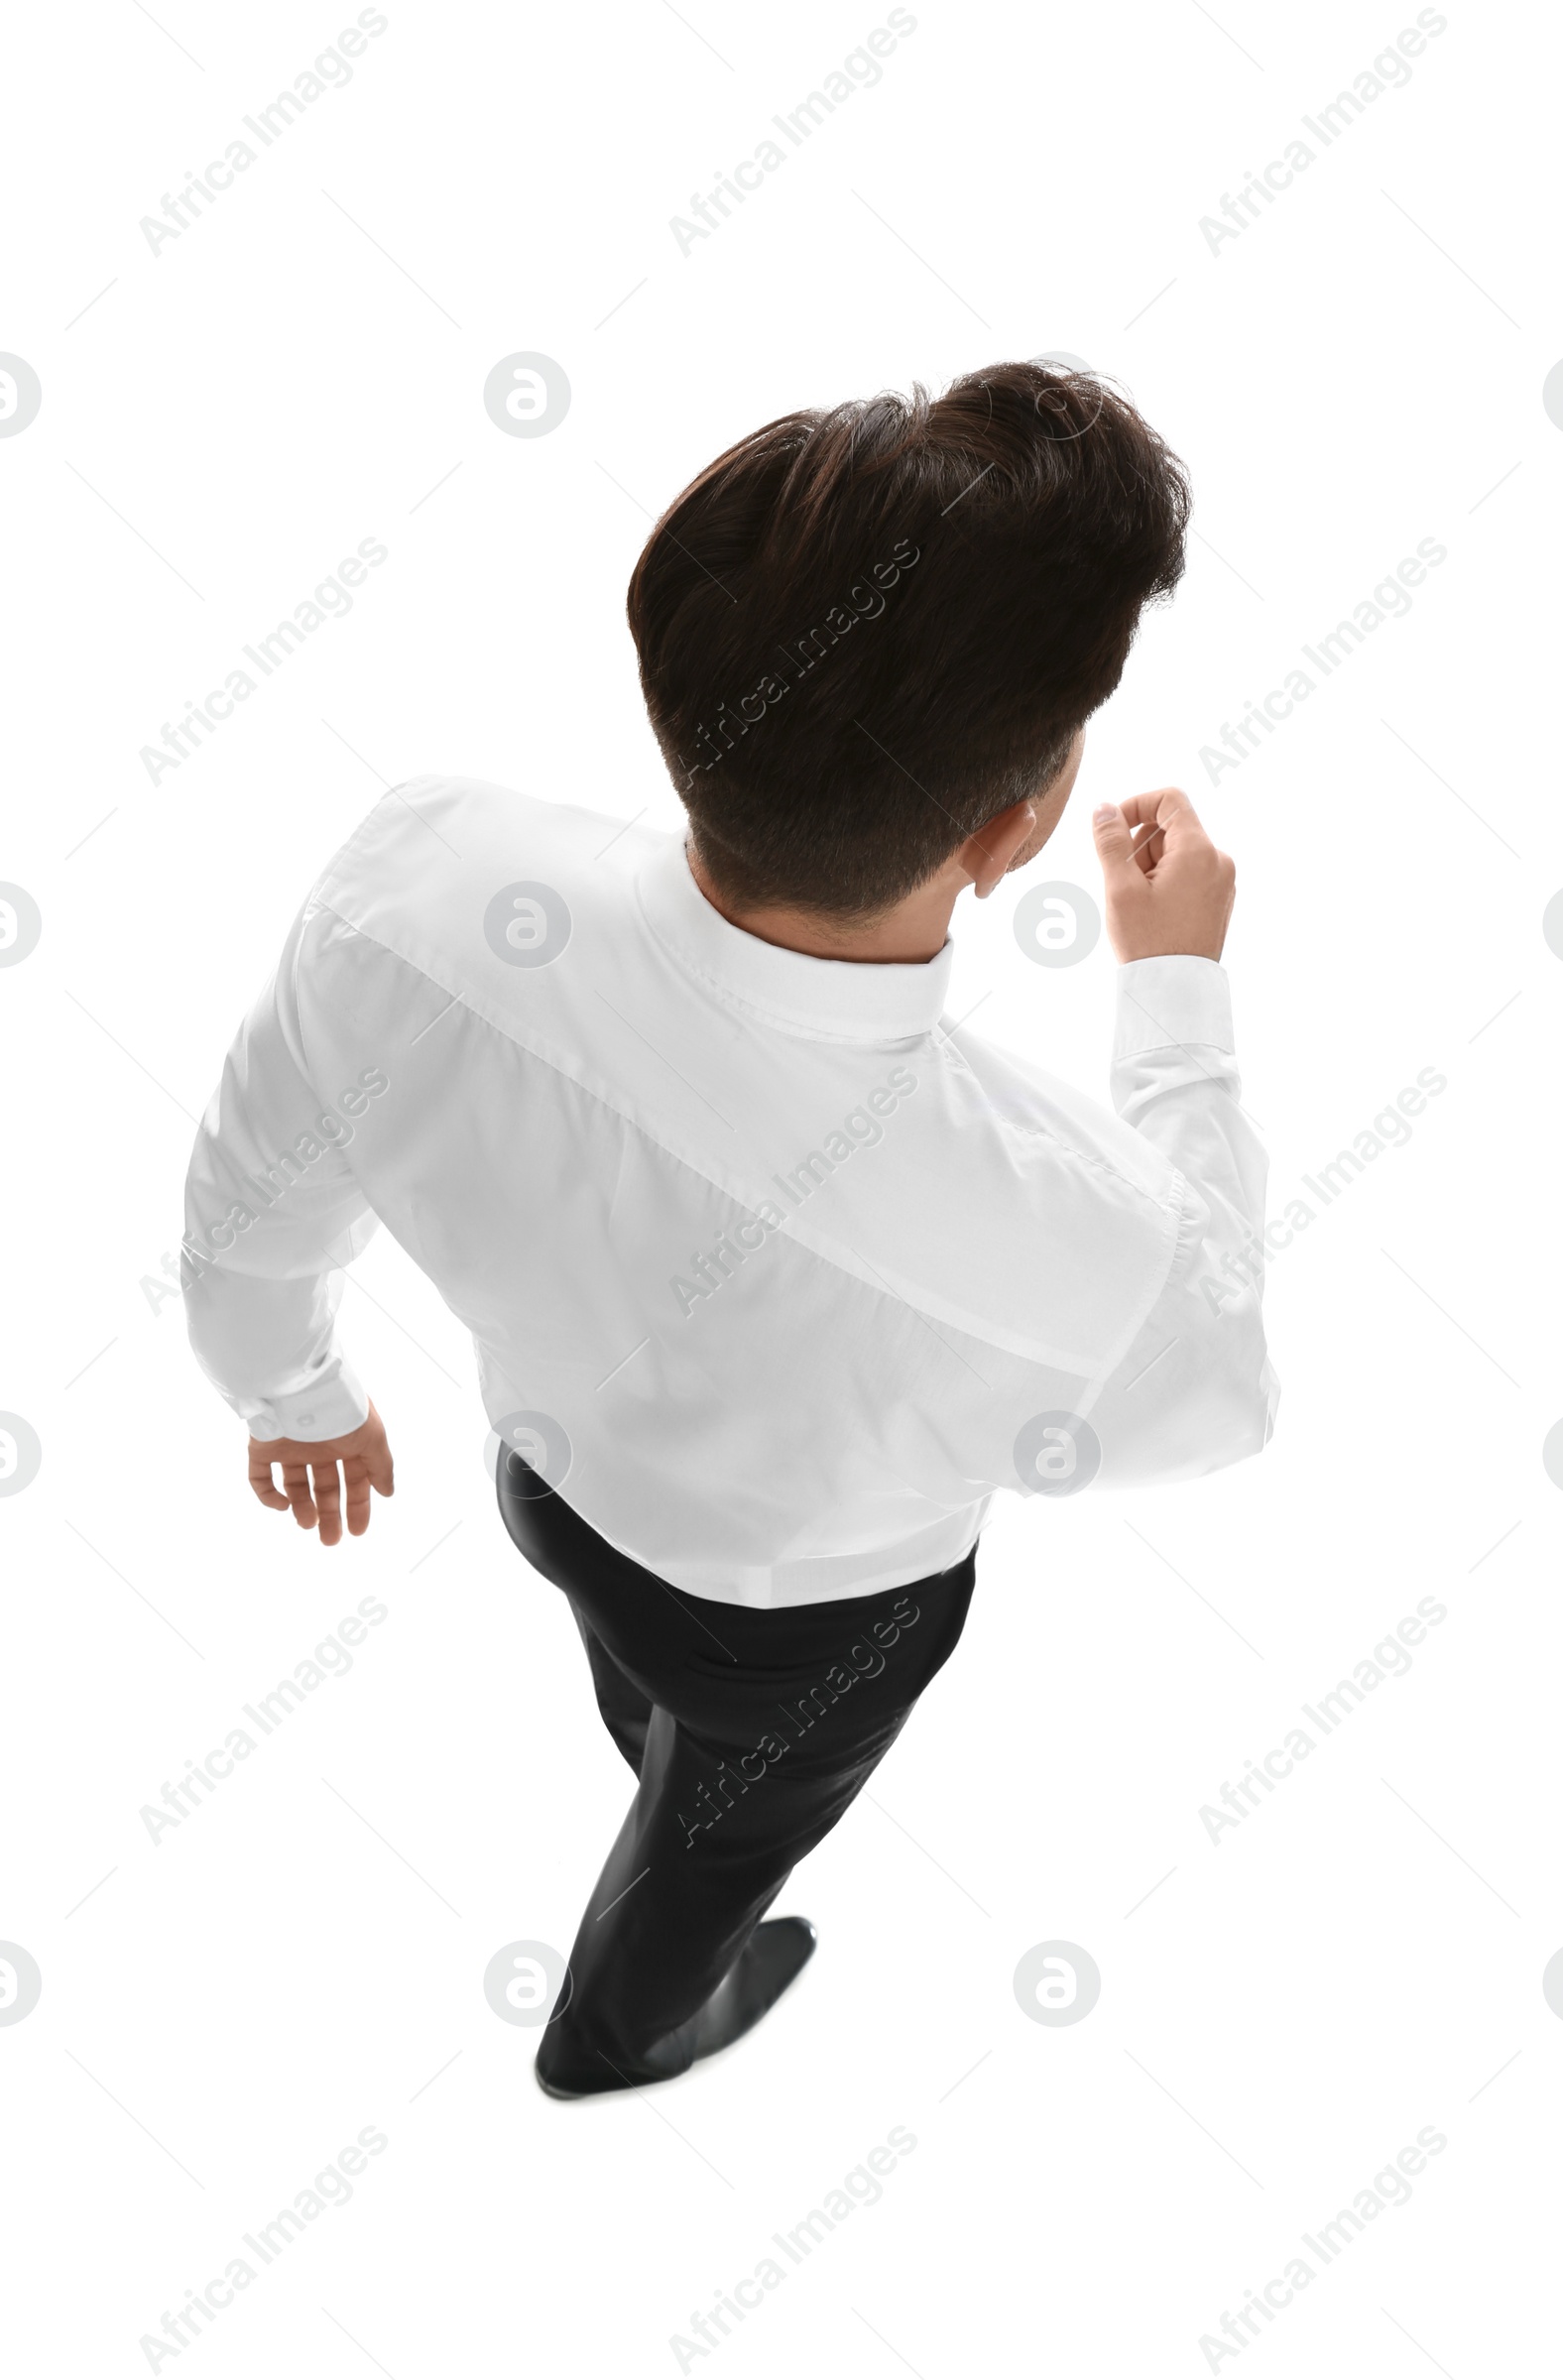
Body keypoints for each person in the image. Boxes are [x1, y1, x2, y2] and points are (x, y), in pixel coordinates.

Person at [182, 360, 1276, 2098]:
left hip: (550, 1491)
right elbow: (1214, 1382)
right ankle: (622, 2030)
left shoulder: (419, 879)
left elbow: (249, 1204)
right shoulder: (1076, 1238)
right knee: (720, 1834)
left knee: (636, 1675)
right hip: (812, 1633)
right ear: (1014, 830)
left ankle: (651, 1739)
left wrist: (291, 1391)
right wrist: (1178, 996)